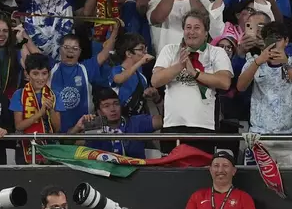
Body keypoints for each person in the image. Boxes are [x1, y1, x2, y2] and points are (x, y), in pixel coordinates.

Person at [151, 10, 232, 154]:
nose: (191, 32)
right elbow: (156, 81)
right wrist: (180, 65)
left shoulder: (216, 52)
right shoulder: (170, 50)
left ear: (206, 32)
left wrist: (194, 73)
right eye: (188, 27)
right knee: (172, 172)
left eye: (196, 27)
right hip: (172, 125)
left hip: (204, 125)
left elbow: (224, 82)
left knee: (201, 173)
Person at [237, 21, 292, 165]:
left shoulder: (291, 62)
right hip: (259, 137)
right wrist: (258, 62)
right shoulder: (253, 62)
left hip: (287, 138)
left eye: (278, 39)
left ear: (286, 41)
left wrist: (286, 63)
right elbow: (240, 87)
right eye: (269, 38)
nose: (273, 43)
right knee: (255, 184)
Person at [75, 88, 163, 159]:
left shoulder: (137, 122)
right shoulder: (93, 128)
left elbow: (165, 121)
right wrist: (77, 127)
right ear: (99, 111)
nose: (113, 109)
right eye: (106, 106)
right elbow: (67, 143)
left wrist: (158, 100)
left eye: (116, 104)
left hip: (137, 176)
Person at [9, 53, 63, 164]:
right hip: (25, 147)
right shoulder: (19, 94)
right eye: (35, 73)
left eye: (44, 73)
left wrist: (51, 109)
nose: (40, 78)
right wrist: (40, 113)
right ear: (26, 74)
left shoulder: (54, 95)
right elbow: (19, 126)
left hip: (50, 147)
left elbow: (57, 128)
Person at [110, 33, 160, 117]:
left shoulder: (142, 77)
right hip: (122, 120)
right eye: (141, 49)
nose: (145, 52)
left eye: (146, 49)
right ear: (129, 53)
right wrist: (141, 62)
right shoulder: (116, 70)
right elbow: (119, 79)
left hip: (138, 119)